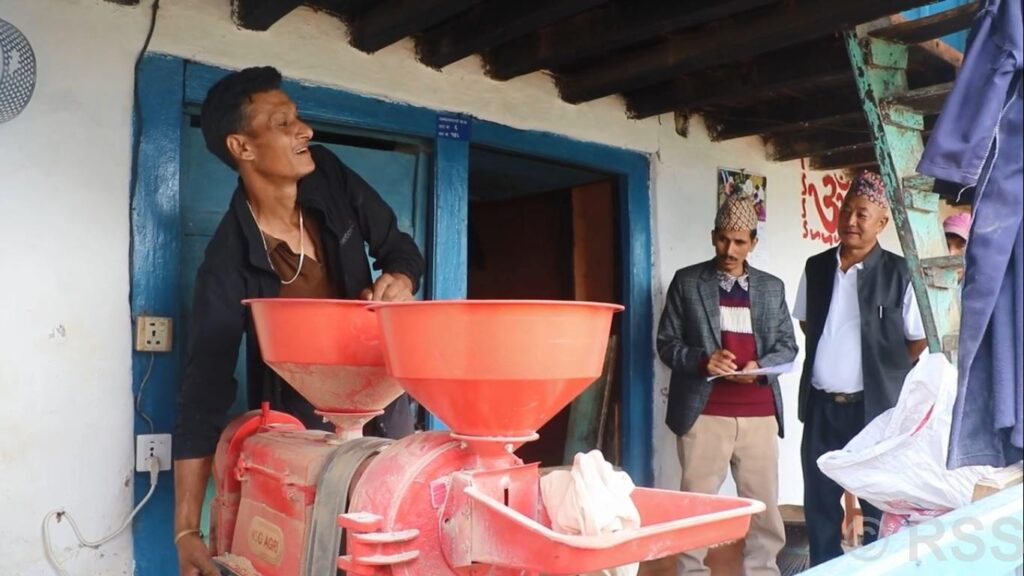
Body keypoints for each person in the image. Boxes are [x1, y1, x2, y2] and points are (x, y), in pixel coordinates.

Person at [172, 66, 425, 575]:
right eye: (282, 123)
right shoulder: (226, 263)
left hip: (384, 403)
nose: (304, 130)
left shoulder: (328, 173)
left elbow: (400, 249)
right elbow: (203, 395)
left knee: (395, 544)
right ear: (242, 147)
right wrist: (186, 530)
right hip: (304, 439)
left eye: (298, 117)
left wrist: (400, 278)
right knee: (325, 554)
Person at [792, 171, 928, 566]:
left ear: (882, 223)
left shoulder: (900, 272)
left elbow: (917, 340)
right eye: (846, 211)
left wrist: (884, 372)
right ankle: (823, 569)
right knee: (819, 502)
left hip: (874, 413)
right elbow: (808, 324)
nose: (850, 221)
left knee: (874, 506)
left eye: (862, 214)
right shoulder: (817, 267)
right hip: (821, 407)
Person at [657, 196, 798, 576]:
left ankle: (762, 572)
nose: (729, 250)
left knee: (763, 509)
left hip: (759, 416)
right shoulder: (688, 282)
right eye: (722, 239)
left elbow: (788, 346)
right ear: (712, 237)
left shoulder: (771, 288)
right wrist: (703, 360)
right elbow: (666, 343)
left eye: (739, 242)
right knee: (697, 507)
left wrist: (761, 367)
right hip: (705, 414)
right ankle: (691, 573)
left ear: (753, 242)